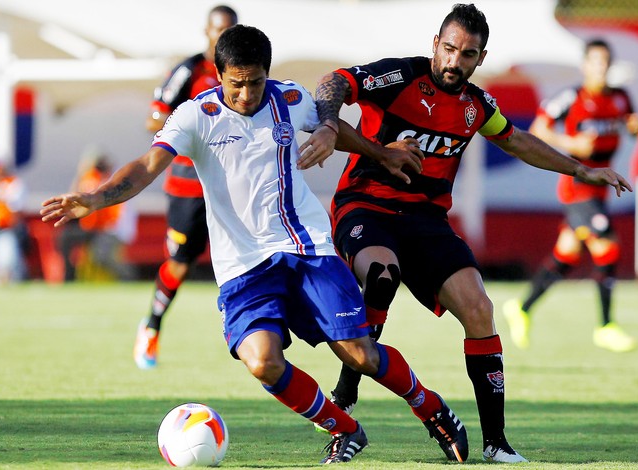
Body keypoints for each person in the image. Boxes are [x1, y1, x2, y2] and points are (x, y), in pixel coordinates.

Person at [41, 25, 472, 465]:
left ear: (267, 73)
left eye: (255, 81)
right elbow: (148, 165)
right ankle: (345, 429)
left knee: (361, 355)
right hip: (243, 266)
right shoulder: (196, 116)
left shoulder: (288, 99)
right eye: (236, 83)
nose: (247, 94)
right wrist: (94, 198)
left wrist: (378, 152)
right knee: (262, 361)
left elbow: (334, 128)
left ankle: (432, 408)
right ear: (219, 75)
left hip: (307, 250)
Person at [313, 4, 632, 463]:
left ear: (480, 59)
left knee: (480, 309)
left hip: (426, 220)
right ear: (434, 44)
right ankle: (345, 403)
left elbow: (518, 141)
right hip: (366, 205)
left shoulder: (476, 106)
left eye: (467, 54)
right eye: (448, 49)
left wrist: (582, 170)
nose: (454, 62)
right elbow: (335, 83)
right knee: (382, 272)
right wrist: (332, 126)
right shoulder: (399, 77)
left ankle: (496, 443)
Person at [503, 38, 638, 353]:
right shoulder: (571, 98)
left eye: (605, 63)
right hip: (577, 188)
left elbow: (629, 125)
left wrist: (634, 128)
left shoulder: (620, 97)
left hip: (601, 189)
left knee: (566, 255)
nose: (601, 69)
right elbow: (538, 129)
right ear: (585, 65)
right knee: (607, 243)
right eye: (595, 62)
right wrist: (574, 145)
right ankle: (606, 326)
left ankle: (521, 308)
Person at [134, 5, 238, 369]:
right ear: (206, 32)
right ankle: (151, 325)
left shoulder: (241, 70)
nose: (222, 37)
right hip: (187, 186)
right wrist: (190, 127)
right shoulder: (189, 70)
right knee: (181, 263)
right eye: (217, 30)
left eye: (229, 30)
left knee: (247, 255)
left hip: (232, 185)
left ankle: (247, 329)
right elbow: (154, 118)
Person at [56, 148, 136, 281]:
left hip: (110, 229)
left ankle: (128, 276)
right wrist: (81, 172)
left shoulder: (113, 180)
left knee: (102, 256)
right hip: (94, 228)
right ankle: (69, 277)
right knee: (65, 238)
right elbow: (73, 196)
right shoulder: (92, 178)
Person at [0, 153, 29, 284]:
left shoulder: (13, 184)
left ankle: (8, 276)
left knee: (5, 252)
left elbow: (15, 214)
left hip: (3, 230)